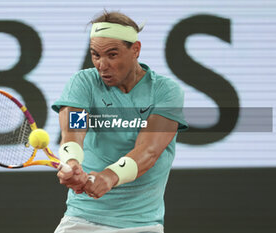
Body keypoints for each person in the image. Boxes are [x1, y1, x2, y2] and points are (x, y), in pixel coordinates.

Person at [52, 10, 188, 233]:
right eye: (95, 54)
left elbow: (149, 151)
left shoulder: (165, 91)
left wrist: (109, 176)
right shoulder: (83, 82)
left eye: (112, 55)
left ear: (135, 50)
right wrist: (73, 161)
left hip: (141, 224)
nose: (101, 64)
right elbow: (73, 131)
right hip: (82, 218)